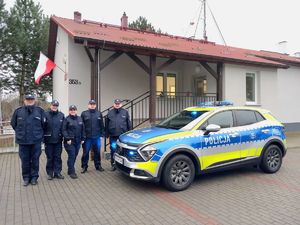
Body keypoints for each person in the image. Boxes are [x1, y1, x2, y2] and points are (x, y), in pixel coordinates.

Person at [11, 94, 46, 186]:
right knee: (25, 160)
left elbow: (44, 125)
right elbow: (13, 124)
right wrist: (21, 133)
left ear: (34, 100)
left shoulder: (40, 111)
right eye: (28, 99)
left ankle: (34, 177)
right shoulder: (18, 111)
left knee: (35, 160)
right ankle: (26, 178)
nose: (29, 101)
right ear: (24, 101)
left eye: (31, 99)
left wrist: (39, 135)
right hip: (23, 141)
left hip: (36, 141)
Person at [105, 99, 132, 171]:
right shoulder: (110, 113)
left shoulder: (125, 112)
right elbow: (107, 124)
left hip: (122, 136)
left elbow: (128, 123)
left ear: (121, 104)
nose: (117, 104)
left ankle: (123, 165)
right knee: (113, 150)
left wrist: (130, 133)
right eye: (116, 103)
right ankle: (113, 164)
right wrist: (106, 134)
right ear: (114, 104)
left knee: (123, 151)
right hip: (113, 136)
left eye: (118, 103)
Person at [81, 100, 105, 173]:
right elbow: (81, 126)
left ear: (95, 105)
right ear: (88, 105)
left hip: (97, 137)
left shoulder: (99, 113)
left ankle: (98, 166)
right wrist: (82, 136)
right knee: (85, 153)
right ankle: (84, 166)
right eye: (91, 104)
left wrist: (102, 134)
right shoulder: (84, 113)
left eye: (93, 104)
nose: (92, 105)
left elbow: (101, 125)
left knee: (97, 152)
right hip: (87, 137)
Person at [62, 105, 85, 179]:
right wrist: (67, 138)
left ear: (76, 110)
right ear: (69, 111)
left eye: (74, 109)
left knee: (74, 155)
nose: (72, 111)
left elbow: (83, 130)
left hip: (78, 141)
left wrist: (83, 138)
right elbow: (64, 130)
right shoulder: (66, 119)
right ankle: (72, 172)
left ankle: (69, 169)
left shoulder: (80, 119)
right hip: (69, 142)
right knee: (72, 155)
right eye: (71, 110)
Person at [44, 100, 65, 180]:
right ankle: (50, 173)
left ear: (57, 106)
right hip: (48, 140)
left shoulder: (61, 115)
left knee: (58, 157)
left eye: (56, 105)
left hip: (58, 140)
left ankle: (57, 172)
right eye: (53, 105)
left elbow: (63, 128)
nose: (54, 106)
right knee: (50, 157)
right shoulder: (45, 114)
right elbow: (42, 127)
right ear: (51, 105)